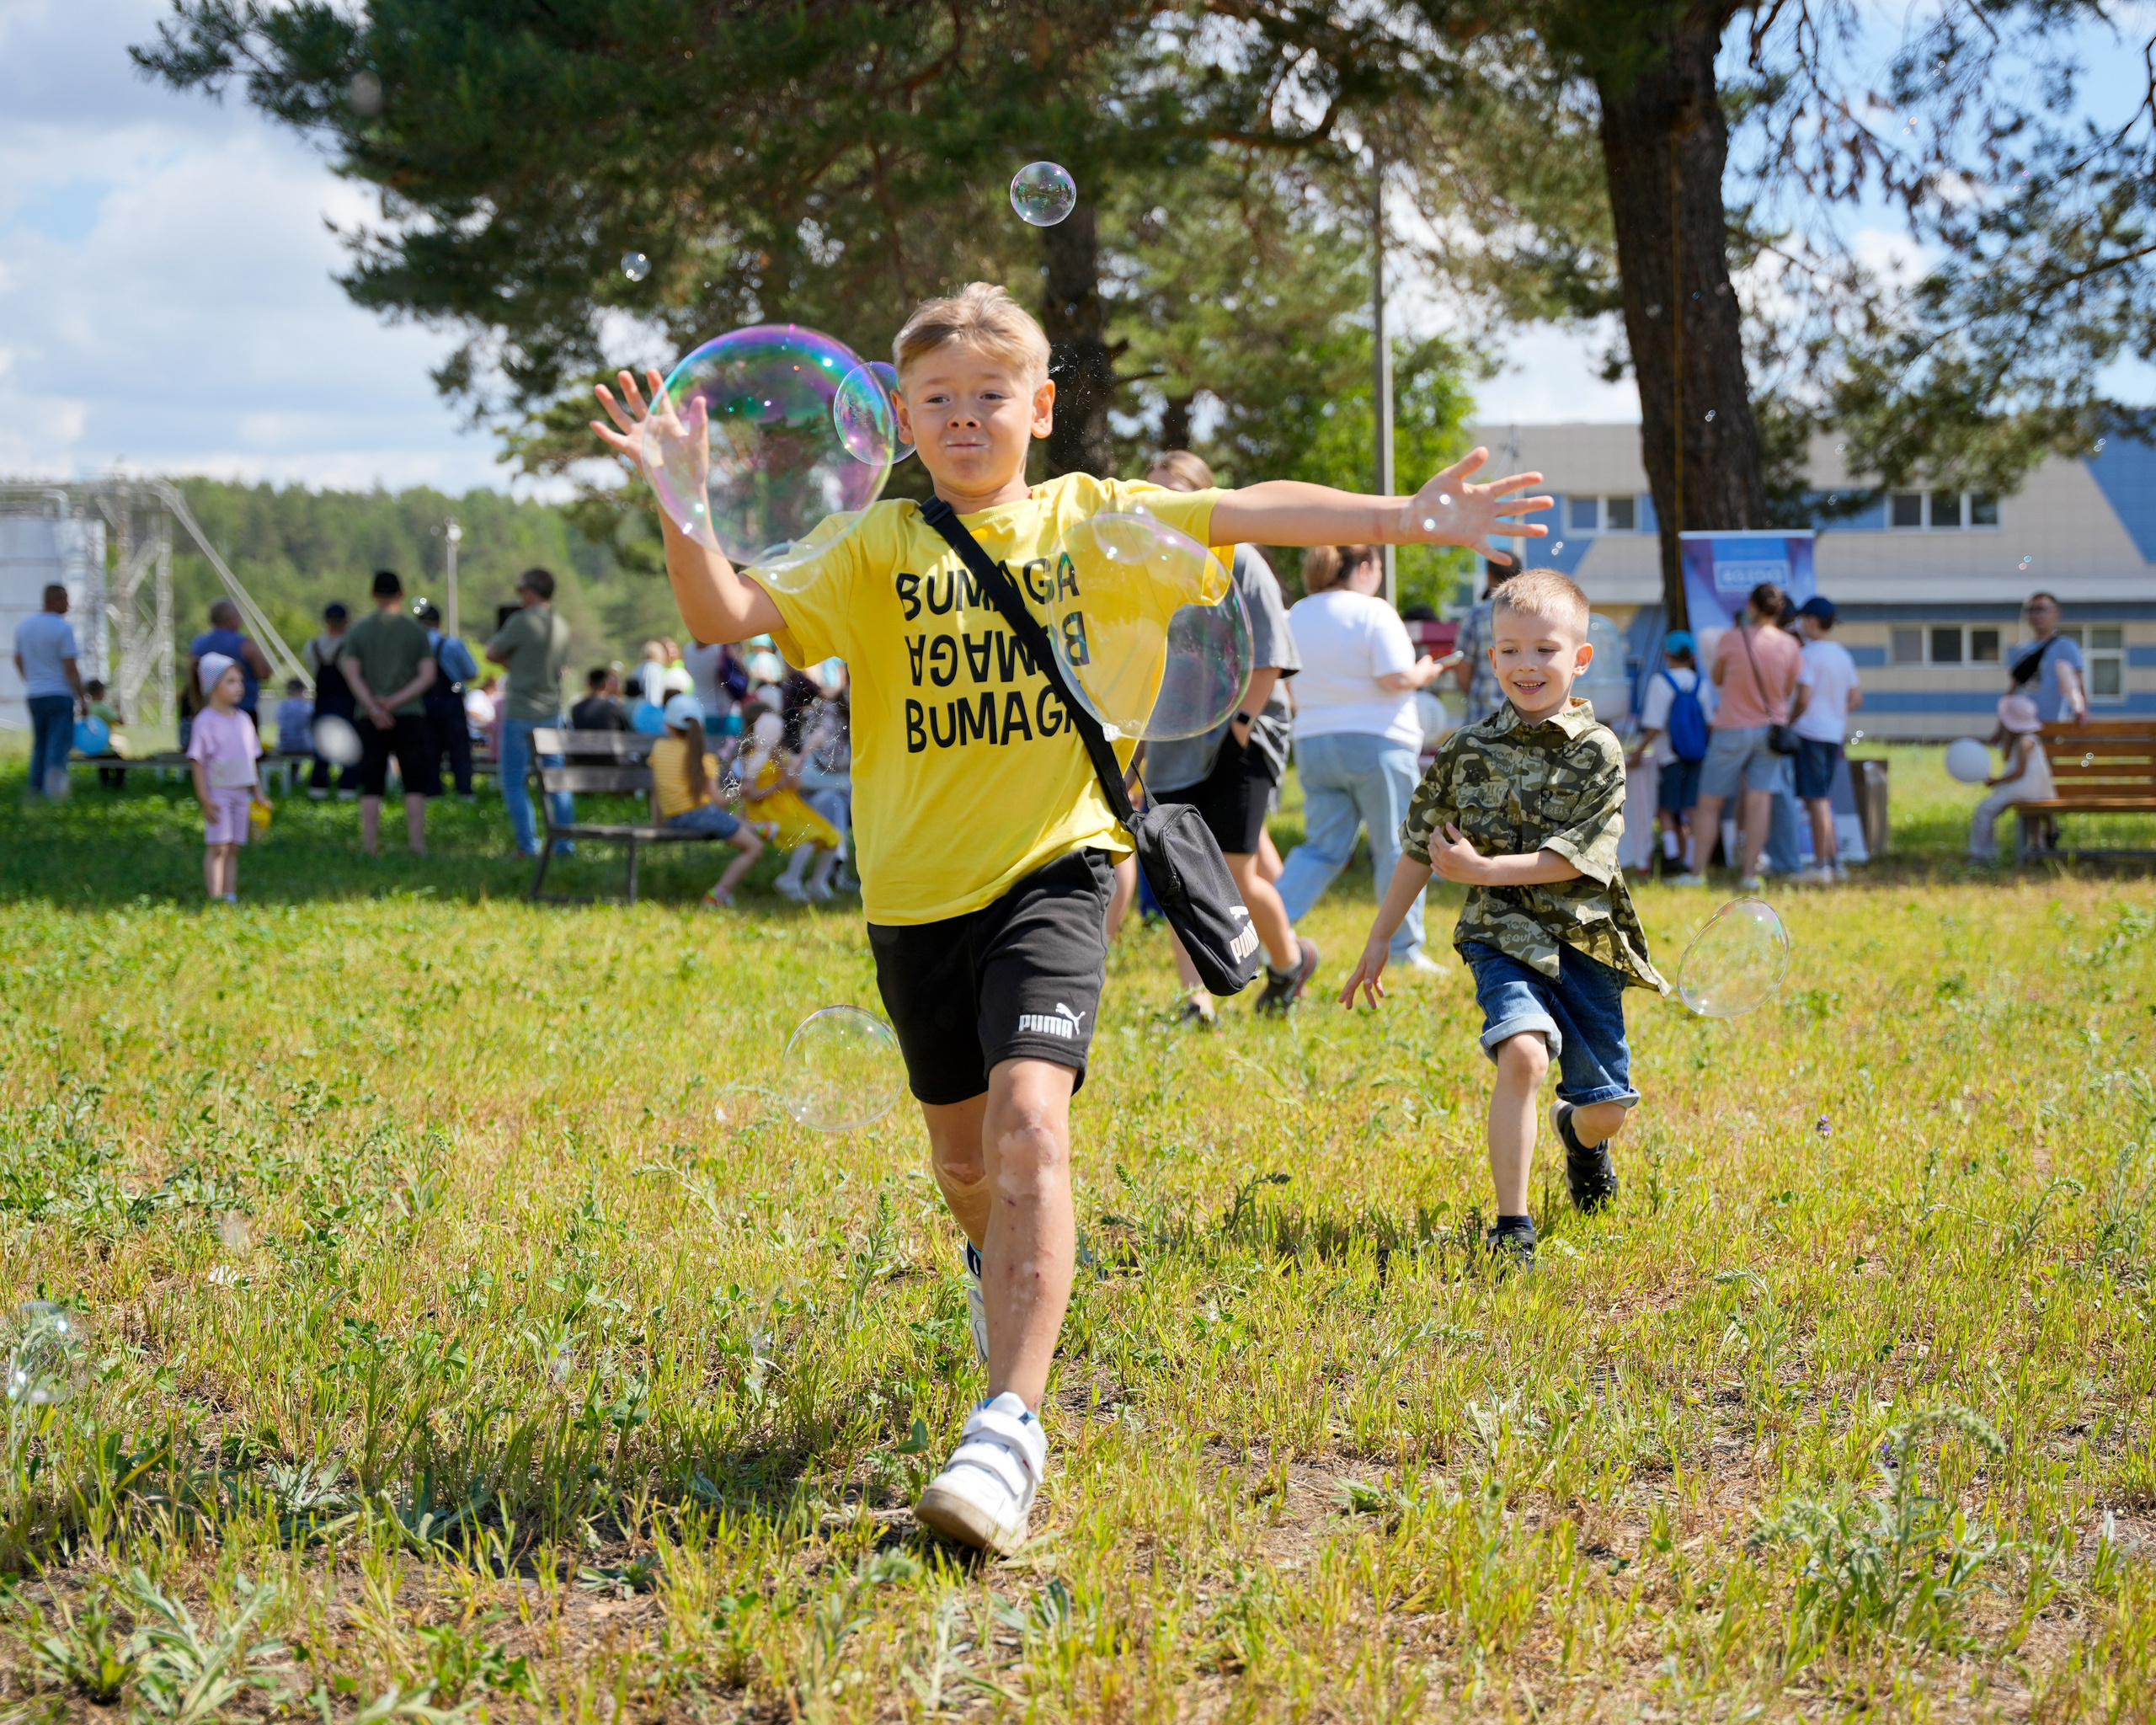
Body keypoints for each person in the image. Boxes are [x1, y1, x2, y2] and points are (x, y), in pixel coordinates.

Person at [590, 277, 1548, 1555]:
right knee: (965, 1164)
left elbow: (1244, 508)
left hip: (1059, 867)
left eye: (992, 394)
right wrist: (683, 498)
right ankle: (1012, 1284)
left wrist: (1403, 519)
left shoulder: (1092, 521)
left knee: (1033, 1117)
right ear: (904, 419)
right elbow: (725, 612)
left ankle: (1009, 1427)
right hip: (914, 897)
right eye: (937, 399)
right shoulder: (873, 546)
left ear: (1039, 408)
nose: (965, 416)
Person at [1340, 569, 1666, 1269]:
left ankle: (1579, 1140)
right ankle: (1512, 1226)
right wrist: (1379, 937)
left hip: (1582, 939)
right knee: (1522, 1053)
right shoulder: (1464, 751)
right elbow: (1417, 850)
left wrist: (1484, 870)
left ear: (1580, 658)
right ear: (1491, 659)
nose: (1526, 665)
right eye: (1510, 650)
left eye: (1545, 649)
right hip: (1501, 936)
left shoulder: (1599, 751)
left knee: (1607, 1107)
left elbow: (1577, 861)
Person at [1139, 449, 1314, 1023]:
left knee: (1238, 870)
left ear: (1201, 498)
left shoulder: (1241, 560)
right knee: (1179, 875)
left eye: (1172, 493)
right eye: (1150, 494)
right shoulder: (1143, 570)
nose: (1158, 506)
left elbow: (1269, 657)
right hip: (1174, 744)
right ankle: (1196, 1000)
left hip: (1246, 732)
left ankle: (1289, 966)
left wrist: (1240, 728)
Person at [1274, 546, 1448, 975]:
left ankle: (1265, 935)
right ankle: (1405, 951)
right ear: (1366, 568)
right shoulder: (1374, 612)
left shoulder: (1295, 613)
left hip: (1313, 740)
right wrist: (1426, 671)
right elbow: (1395, 677)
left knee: (1321, 848)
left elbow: (1286, 684)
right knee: (1398, 847)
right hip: (1378, 742)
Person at [1689, 582, 1802, 891]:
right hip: (1770, 732)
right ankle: (1750, 875)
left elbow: (1718, 678)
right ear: (1779, 610)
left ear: (1751, 607)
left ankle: (1696, 872)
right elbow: (1789, 690)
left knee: (1709, 802)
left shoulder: (1731, 638)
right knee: (1760, 802)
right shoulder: (1790, 644)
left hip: (1731, 728)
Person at [337, 569, 440, 856]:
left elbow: (351, 672)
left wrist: (373, 706)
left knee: (371, 781)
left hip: (368, 715)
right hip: (409, 713)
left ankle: (369, 845)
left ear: (373, 594)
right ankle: (417, 844)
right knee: (414, 781)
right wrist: (394, 702)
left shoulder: (358, 630)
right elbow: (427, 676)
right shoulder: (415, 631)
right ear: (401, 594)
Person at [485, 568, 576, 857]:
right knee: (557, 781)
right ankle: (565, 844)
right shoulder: (562, 625)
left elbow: (491, 652)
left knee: (513, 782)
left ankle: (528, 845)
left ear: (530, 592)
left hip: (521, 711)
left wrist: (512, 665)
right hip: (552, 713)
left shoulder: (521, 621)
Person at [652, 692, 766, 905]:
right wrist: (742, 790)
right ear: (701, 727)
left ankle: (759, 827)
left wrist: (657, 822)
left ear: (668, 725)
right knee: (754, 848)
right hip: (700, 816)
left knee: (721, 817)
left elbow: (656, 791)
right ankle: (717, 895)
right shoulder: (704, 759)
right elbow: (719, 801)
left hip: (675, 818)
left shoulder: (659, 749)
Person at [1789, 595, 1862, 884]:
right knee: (1823, 799)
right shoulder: (1842, 655)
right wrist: (1832, 711)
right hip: (1834, 733)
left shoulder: (1807, 655)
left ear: (1810, 621)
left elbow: (1803, 696)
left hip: (1810, 733)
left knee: (1815, 799)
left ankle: (1821, 866)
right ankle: (1834, 861)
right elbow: (1855, 698)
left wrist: (1791, 720)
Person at [1630, 630, 1712, 880]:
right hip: (1697, 756)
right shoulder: (1701, 683)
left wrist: (1638, 752)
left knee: (1667, 809)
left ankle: (1672, 858)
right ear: (1693, 657)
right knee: (1693, 809)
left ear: (1667, 654)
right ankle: (1694, 862)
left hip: (1669, 757)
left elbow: (1654, 725)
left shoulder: (1661, 682)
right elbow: (1709, 723)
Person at [186, 654, 269, 903]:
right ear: (212, 686)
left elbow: (249, 761)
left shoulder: (244, 720)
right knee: (218, 846)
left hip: (241, 793)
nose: (239, 686)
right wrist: (204, 797)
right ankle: (215, 896)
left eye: (240, 681)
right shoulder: (205, 721)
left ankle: (229, 895)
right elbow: (197, 761)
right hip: (218, 793)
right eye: (231, 681)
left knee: (234, 846)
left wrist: (259, 793)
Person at [739, 710, 844, 901]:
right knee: (808, 836)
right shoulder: (753, 758)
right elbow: (750, 795)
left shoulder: (782, 755)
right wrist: (775, 787)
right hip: (765, 811)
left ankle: (817, 882)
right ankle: (790, 879)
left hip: (791, 807)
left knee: (833, 836)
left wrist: (785, 764)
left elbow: (795, 786)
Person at [13, 583, 85, 797]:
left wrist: (31, 680)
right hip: (59, 693)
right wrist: (82, 697)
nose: (68, 604)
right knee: (58, 745)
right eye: (65, 599)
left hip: (35, 694)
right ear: (55, 600)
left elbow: (18, 659)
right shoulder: (63, 628)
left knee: (40, 744)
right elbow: (70, 667)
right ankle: (54, 792)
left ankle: (35, 787)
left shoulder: (25, 626)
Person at [1968, 693, 2056, 862]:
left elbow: (2020, 771)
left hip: (2023, 789)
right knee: (2033, 820)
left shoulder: (2025, 742)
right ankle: (2041, 851)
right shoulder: (2025, 739)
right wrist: (2007, 738)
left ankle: (1982, 853)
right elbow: (2008, 758)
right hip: (2035, 791)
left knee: (1984, 810)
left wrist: (1996, 781)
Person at [413, 599, 481, 799]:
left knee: (429, 749)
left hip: (424, 701)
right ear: (439, 623)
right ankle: (465, 791)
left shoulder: (414, 647)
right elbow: (472, 672)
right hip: (451, 699)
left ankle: (432, 790)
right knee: (459, 748)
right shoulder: (453, 645)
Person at [1448, 561, 1517, 729]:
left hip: (1482, 718)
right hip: (1522, 718)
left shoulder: (1476, 615)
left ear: (1489, 576)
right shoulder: (1532, 614)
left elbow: (1462, 670)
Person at [188, 598, 273, 733]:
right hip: (243, 708)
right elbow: (264, 673)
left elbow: (193, 676)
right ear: (232, 618)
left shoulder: (198, 644)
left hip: (209, 708)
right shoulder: (244, 644)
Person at [303, 601, 360, 800]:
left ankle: (318, 788)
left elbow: (312, 668)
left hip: (323, 700)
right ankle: (347, 789)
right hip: (347, 700)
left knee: (321, 746)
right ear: (347, 621)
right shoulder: (351, 646)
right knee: (351, 744)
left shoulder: (312, 646)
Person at [2012, 591, 2087, 725]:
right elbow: (2014, 689)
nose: (2035, 615)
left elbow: (2077, 686)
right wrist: (2002, 727)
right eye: (2031, 610)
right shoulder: (2022, 650)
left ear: (2056, 613)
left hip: (2054, 725)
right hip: (2022, 724)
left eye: (2041, 609)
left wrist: (2081, 711)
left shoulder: (2066, 647)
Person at [570, 665, 630, 731]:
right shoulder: (613, 708)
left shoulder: (577, 709)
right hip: (607, 741)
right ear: (605, 684)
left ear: (589, 684)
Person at [274, 677, 314, 756]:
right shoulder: (309, 705)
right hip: (305, 746)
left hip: (285, 746)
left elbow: (279, 722)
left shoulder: (283, 706)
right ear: (302, 690)